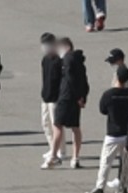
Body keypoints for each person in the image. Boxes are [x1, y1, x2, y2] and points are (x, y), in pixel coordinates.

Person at [86, 66, 128, 193]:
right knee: (126, 162)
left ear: (116, 77)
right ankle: (123, 187)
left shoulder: (108, 94)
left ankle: (100, 187)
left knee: (106, 161)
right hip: (127, 133)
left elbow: (103, 110)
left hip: (113, 133)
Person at [47, 38, 89, 170]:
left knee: (57, 125)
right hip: (76, 99)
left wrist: (76, 96)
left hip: (66, 97)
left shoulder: (67, 59)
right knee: (75, 127)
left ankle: (54, 156)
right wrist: (82, 97)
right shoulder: (79, 61)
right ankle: (75, 157)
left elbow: (70, 79)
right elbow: (84, 81)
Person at [39, 33, 63, 165]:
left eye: (47, 45)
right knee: (45, 123)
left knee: (56, 125)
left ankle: (60, 151)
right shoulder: (45, 60)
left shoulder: (59, 60)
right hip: (45, 96)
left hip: (55, 98)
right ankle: (52, 147)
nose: (45, 47)